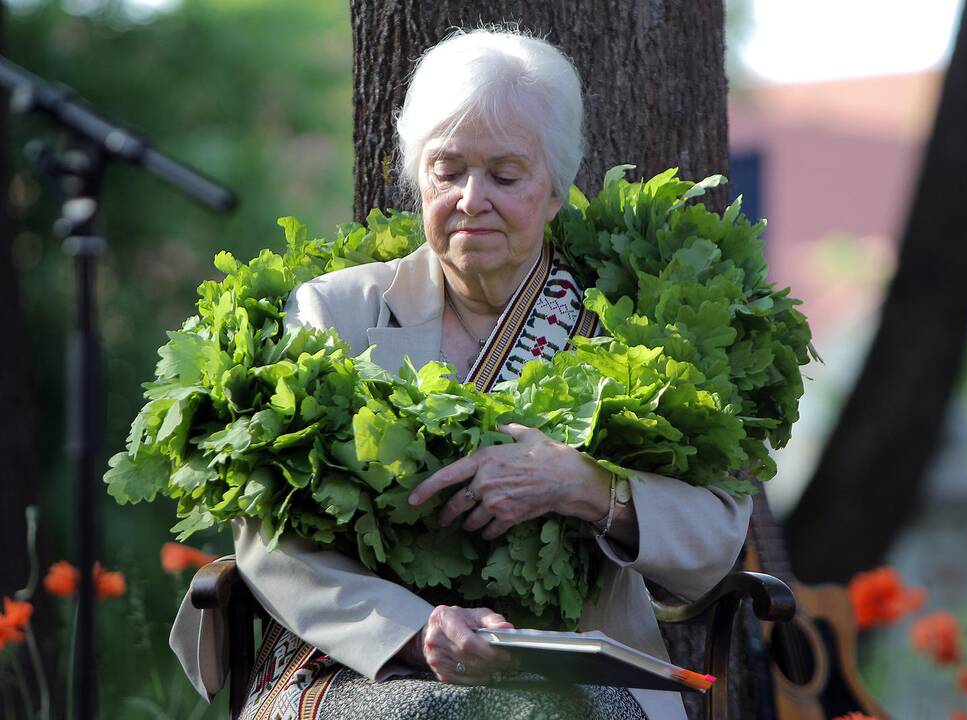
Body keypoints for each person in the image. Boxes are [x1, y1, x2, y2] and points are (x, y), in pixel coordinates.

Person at [171, 26, 751, 720]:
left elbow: (717, 539)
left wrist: (591, 489)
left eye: (506, 175)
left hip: (576, 665)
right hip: (368, 666)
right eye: (448, 170)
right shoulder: (334, 313)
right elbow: (269, 537)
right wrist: (417, 630)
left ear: (556, 190)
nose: (473, 199)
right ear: (419, 178)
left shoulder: (628, 329)